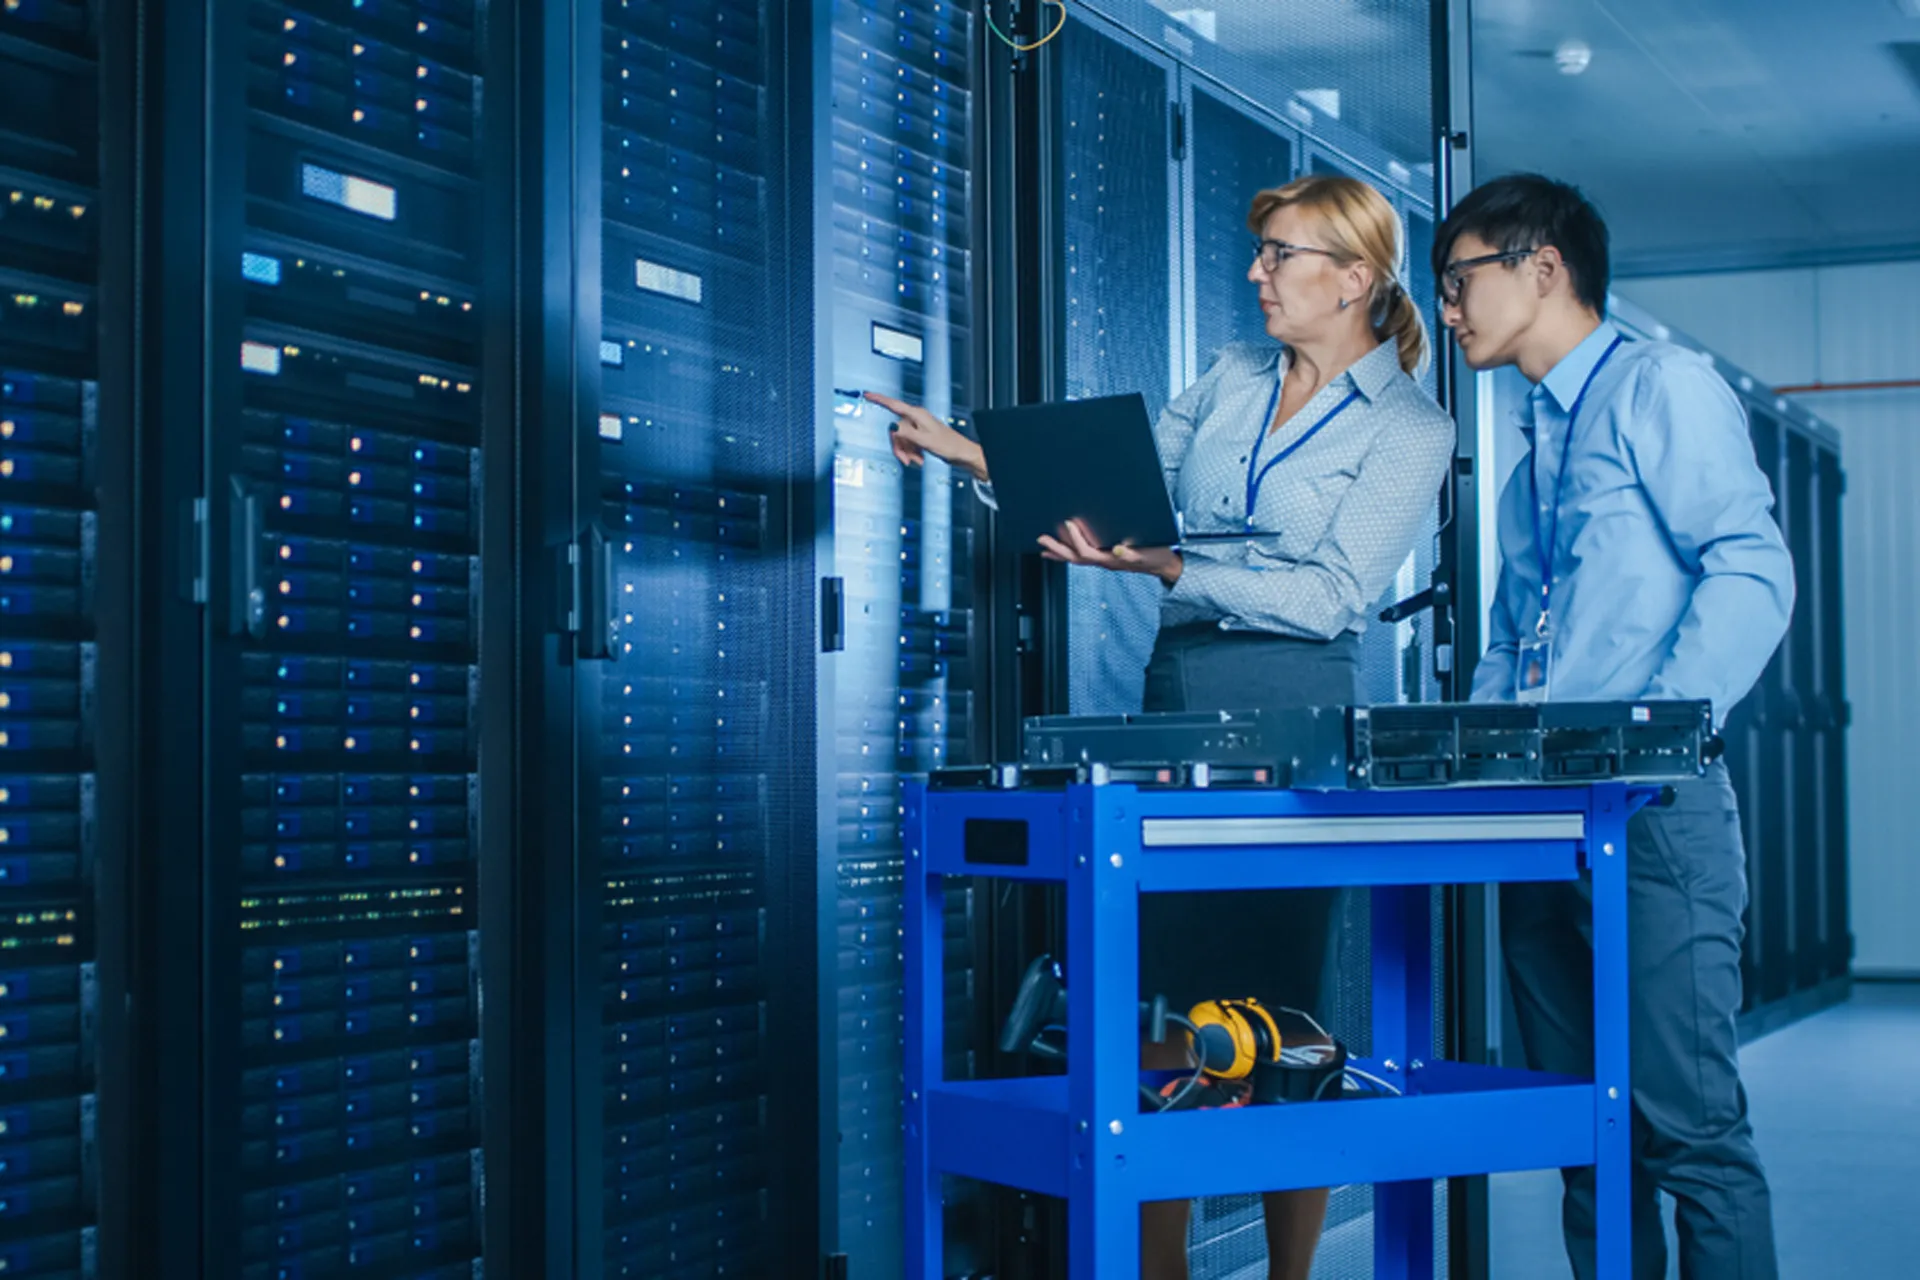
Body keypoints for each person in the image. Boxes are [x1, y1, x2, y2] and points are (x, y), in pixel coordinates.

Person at [868, 173, 1454, 1280]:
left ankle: (1290, 1270)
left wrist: (1173, 562)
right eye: (1260, 252)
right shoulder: (1234, 374)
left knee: (1281, 1006)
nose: (1256, 273)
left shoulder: (1412, 425)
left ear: (1354, 277)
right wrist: (964, 448)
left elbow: (1331, 591)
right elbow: (1118, 484)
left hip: (1295, 701)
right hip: (1175, 689)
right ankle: (1162, 1267)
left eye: (1278, 253)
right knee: (1161, 987)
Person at [1434, 172, 1792, 1279]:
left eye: (1459, 280)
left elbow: (1751, 567)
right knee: (1590, 1135)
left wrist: (1660, 731)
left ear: (1542, 268)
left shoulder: (1659, 388)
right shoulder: (1531, 461)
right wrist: (1474, 761)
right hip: (1540, 819)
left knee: (1691, 1132)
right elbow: (1508, 644)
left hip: (1654, 814)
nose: (1447, 309)